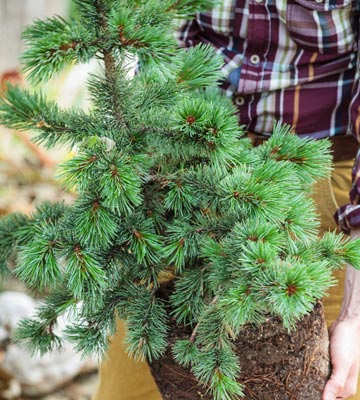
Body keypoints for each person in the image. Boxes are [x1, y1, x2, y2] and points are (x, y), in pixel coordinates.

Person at [93, 1, 360, 399]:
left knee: (325, 379)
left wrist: (354, 316)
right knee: (129, 387)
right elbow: (162, 43)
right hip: (186, 173)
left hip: (316, 178)